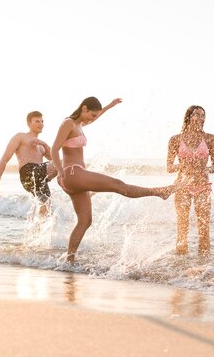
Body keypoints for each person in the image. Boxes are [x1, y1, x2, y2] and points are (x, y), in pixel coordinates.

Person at [51, 96, 179, 263]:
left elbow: (94, 117)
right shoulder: (68, 123)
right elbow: (54, 149)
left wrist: (108, 107)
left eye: (95, 116)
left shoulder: (79, 124)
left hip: (75, 176)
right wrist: (60, 172)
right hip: (72, 173)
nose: (93, 119)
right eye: (92, 115)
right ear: (84, 109)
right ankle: (160, 192)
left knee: (85, 221)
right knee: (118, 185)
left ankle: (69, 261)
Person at [166, 106, 214, 255]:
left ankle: (204, 265)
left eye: (203, 115)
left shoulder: (210, 139)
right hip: (182, 186)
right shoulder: (175, 139)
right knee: (182, 227)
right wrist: (182, 165)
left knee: (203, 227)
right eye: (197, 114)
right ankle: (181, 264)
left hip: (203, 186)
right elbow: (169, 168)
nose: (201, 118)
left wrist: (206, 169)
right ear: (188, 117)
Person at [0, 111, 58, 214]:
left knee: (46, 209)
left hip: (41, 179)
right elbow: (4, 159)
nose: (41, 124)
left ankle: (34, 230)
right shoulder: (21, 137)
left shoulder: (41, 145)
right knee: (62, 164)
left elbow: (55, 159)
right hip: (28, 172)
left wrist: (44, 144)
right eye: (37, 121)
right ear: (29, 123)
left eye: (42, 121)